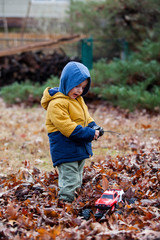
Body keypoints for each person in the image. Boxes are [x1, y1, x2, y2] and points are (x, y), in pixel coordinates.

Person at [41, 61, 103, 203]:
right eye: (76, 86)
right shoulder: (56, 104)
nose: (79, 91)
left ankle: (75, 200)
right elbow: (67, 127)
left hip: (78, 146)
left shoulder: (78, 100)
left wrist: (94, 127)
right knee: (70, 178)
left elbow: (86, 118)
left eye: (83, 87)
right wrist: (88, 134)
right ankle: (65, 204)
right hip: (65, 147)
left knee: (78, 175)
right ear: (66, 82)